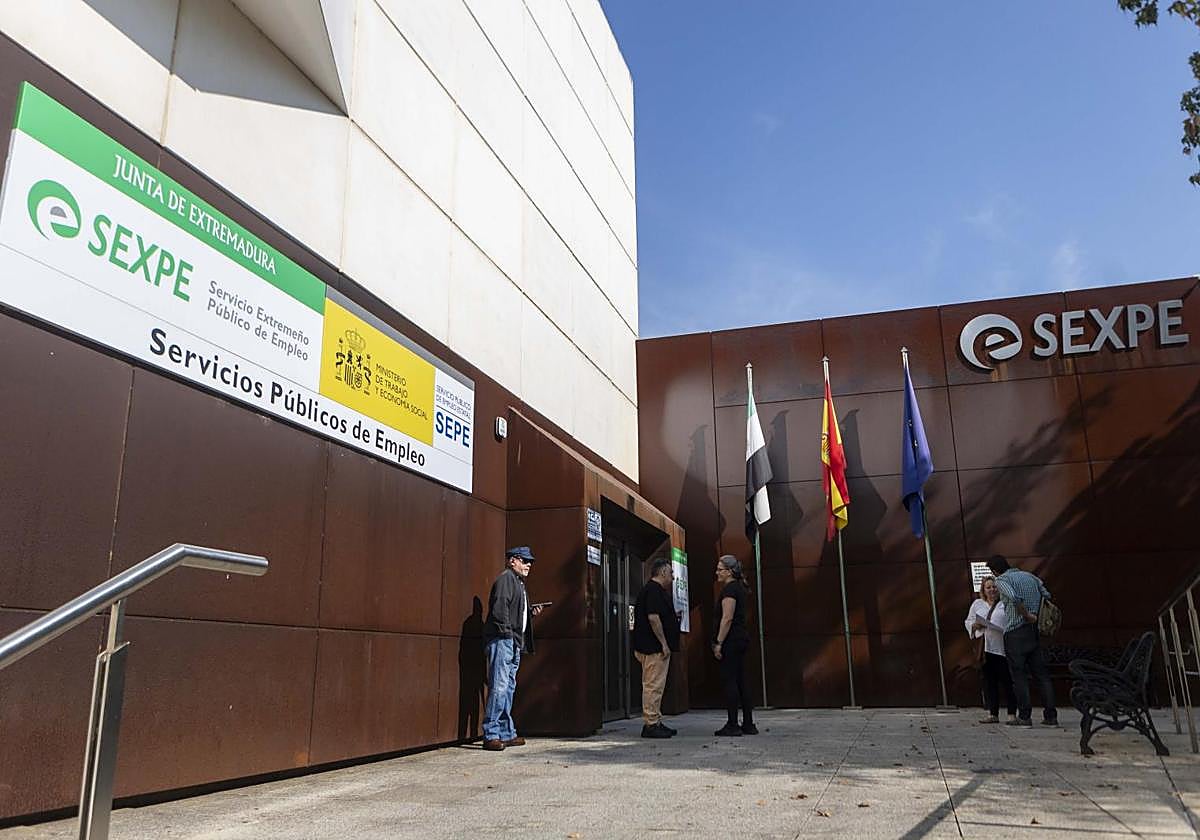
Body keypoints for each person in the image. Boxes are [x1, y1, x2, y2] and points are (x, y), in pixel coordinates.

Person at [481, 546, 544, 751]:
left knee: (507, 688)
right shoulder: (506, 579)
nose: (528, 565)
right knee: (500, 687)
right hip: (503, 640)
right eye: (524, 560)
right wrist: (507, 635)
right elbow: (500, 611)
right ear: (512, 561)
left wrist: (530, 613)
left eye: (530, 562)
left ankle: (506, 733)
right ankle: (491, 734)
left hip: (512, 642)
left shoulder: (517, 582)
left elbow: (512, 613)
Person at [987, 554, 1057, 727]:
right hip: (1034, 631)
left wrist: (1026, 615)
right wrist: (1035, 613)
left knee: (1019, 676)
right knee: (1041, 675)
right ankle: (1051, 716)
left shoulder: (1002, 580)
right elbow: (1046, 594)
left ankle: (1025, 716)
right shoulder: (1030, 576)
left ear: (995, 571)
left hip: (1015, 631)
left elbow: (1013, 597)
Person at [632, 556, 681, 739]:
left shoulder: (653, 591)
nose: (673, 577)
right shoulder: (653, 591)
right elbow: (653, 618)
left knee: (656, 685)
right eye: (671, 573)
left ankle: (655, 720)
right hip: (653, 648)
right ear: (662, 572)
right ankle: (651, 723)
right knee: (653, 685)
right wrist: (663, 643)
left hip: (653, 647)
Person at [711, 554, 755, 736]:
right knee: (742, 681)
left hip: (731, 641)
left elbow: (727, 618)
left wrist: (719, 642)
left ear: (729, 571)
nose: (717, 572)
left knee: (730, 680)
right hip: (740, 639)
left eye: (720, 569)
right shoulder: (740, 588)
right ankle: (748, 723)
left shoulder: (729, 590)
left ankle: (732, 724)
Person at [964, 576, 1016, 724]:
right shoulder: (977, 604)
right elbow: (969, 620)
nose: (992, 590)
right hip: (986, 648)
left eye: (994, 587)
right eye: (988, 587)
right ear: (983, 590)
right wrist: (975, 626)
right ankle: (993, 713)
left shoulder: (1004, 604)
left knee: (1007, 681)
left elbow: (1011, 622)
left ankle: (1012, 713)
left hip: (1002, 648)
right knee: (989, 682)